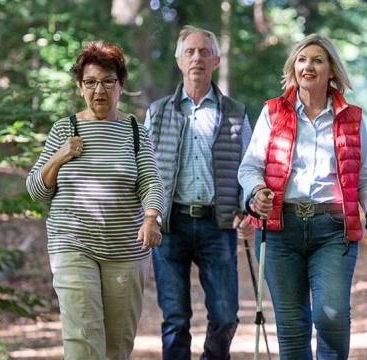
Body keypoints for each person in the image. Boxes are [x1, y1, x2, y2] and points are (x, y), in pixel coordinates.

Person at [237, 33, 367, 359]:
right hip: (279, 227)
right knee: (291, 325)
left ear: (331, 69)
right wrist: (257, 190)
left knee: (331, 317)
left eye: (318, 60)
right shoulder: (273, 113)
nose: (309, 66)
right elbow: (249, 168)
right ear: (293, 68)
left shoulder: (351, 117)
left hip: (332, 227)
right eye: (302, 60)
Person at [26, 40, 165, 360]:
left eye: (107, 82)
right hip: (73, 244)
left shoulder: (134, 131)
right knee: (83, 341)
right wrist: (60, 156)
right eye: (90, 82)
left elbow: (151, 181)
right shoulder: (65, 129)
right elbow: (36, 190)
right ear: (80, 87)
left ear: (120, 85)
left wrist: (151, 217)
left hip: (125, 249)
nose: (98, 90)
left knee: (117, 346)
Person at [143, 25, 253, 360]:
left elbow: (249, 168)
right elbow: (146, 170)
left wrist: (247, 207)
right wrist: (149, 216)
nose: (197, 58)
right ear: (179, 61)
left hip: (215, 225)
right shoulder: (158, 112)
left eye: (204, 52)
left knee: (224, 316)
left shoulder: (236, 112)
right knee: (175, 320)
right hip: (170, 224)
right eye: (190, 52)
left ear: (216, 60)